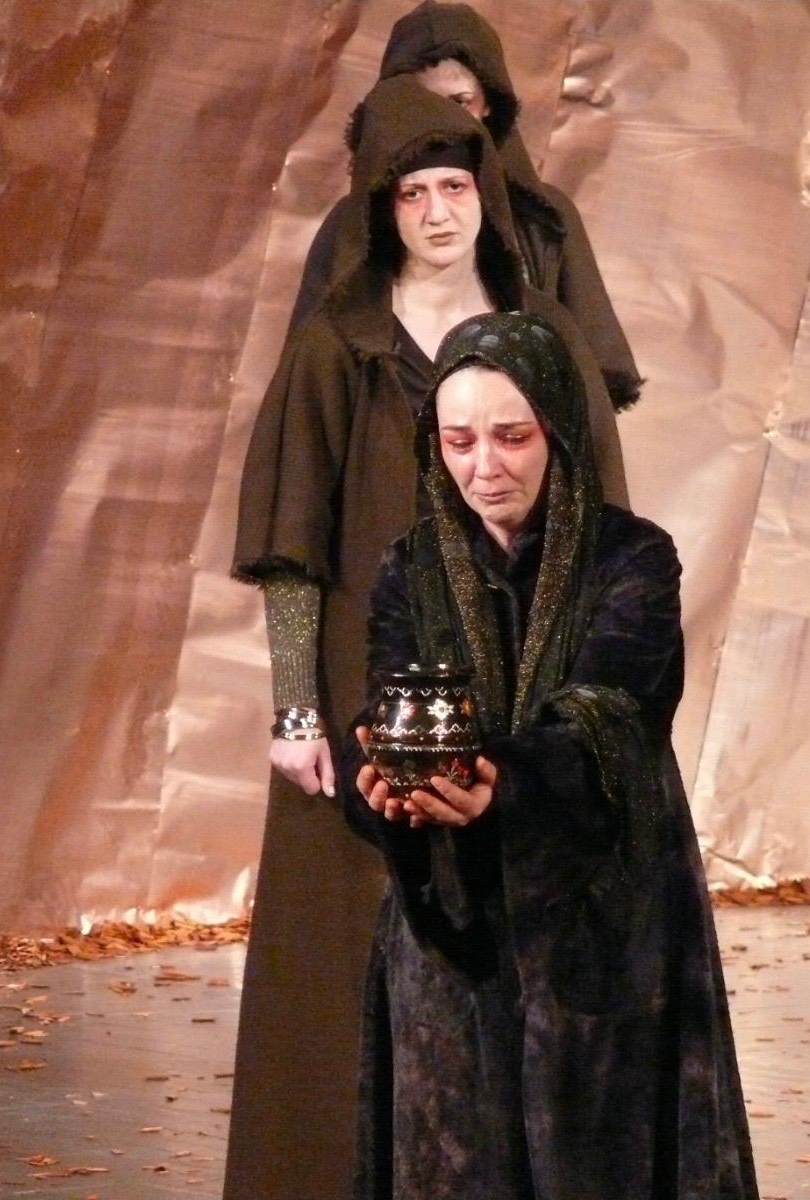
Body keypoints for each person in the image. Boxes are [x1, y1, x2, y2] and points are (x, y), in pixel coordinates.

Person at [225, 76, 627, 1200]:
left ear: (484, 192)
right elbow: (291, 539)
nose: (438, 212)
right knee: (347, 936)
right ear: (382, 208)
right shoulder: (337, 345)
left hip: (517, 674)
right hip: (367, 679)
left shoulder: (539, 338)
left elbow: (599, 519)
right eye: (413, 193)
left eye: (454, 185)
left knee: (520, 935)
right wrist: (297, 707)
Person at [343, 310, 758, 1199]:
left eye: (512, 436)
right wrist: (377, 777)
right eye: (459, 442)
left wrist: (506, 783)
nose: (484, 467)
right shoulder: (410, 568)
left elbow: (613, 709)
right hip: (454, 924)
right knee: (457, 1156)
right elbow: (388, 706)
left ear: (557, 431)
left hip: (603, 920)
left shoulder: (632, 558)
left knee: (600, 1161)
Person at [290, 0, 643, 410]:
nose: (442, 119)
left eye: (459, 103)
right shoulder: (355, 224)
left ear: (489, 103)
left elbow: (590, 382)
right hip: (385, 434)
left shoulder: (542, 218)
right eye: (424, 102)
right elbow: (307, 388)